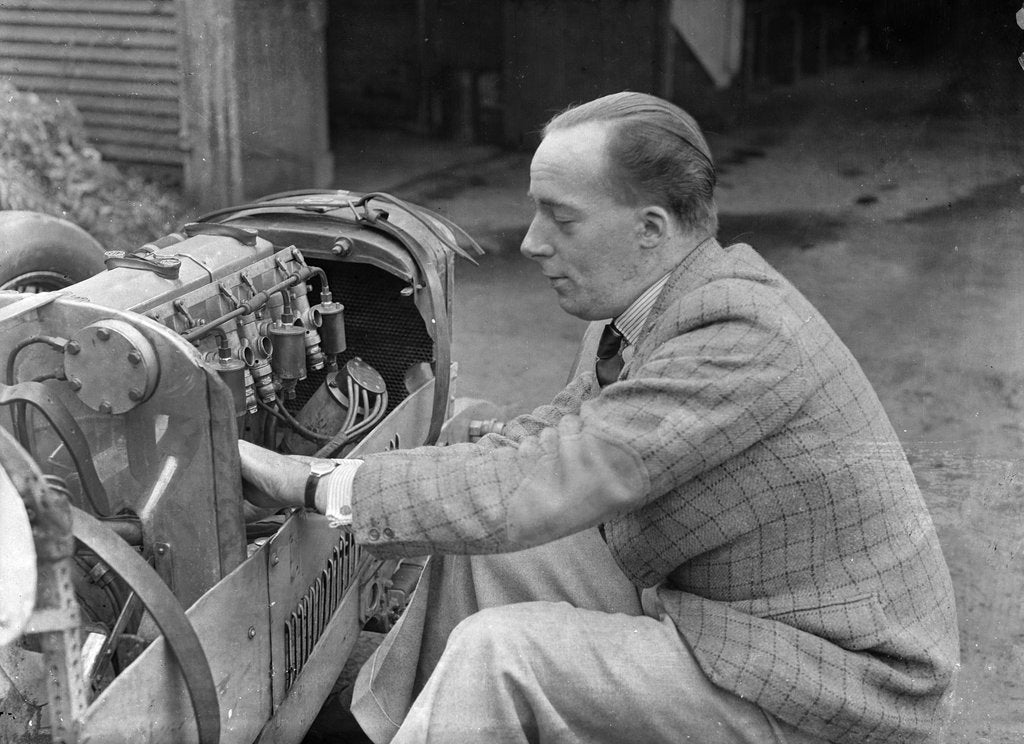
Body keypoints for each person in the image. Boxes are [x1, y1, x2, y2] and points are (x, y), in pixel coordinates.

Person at [239, 92, 959, 744]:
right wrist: (390, 471)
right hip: (737, 612)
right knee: (493, 550)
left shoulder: (737, 331)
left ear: (650, 229)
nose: (530, 241)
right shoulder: (651, 307)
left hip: (832, 682)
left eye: (562, 216)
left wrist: (311, 482)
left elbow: (550, 479)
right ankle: (388, 729)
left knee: (503, 653)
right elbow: (536, 443)